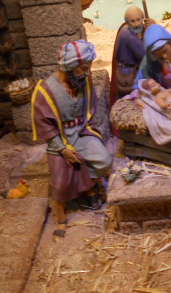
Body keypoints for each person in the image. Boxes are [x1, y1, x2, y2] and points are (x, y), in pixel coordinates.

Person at [31, 40, 112, 237]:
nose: (87, 72)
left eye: (89, 67)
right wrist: (63, 149)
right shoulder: (45, 92)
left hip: (81, 132)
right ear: (69, 67)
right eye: (83, 68)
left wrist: (88, 129)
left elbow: (89, 109)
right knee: (60, 182)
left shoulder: (83, 81)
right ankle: (61, 215)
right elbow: (45, 126)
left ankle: (88, 188)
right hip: (59, 140)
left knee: (103, 160)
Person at [109, 5, 156, 104]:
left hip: (130, 71)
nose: (137, 24)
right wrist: (153, 29)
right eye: (133, 21)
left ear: (143, 18)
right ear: (127, 22)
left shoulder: (130, 30)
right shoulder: (127, 35)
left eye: (139, 20)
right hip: (129, 75)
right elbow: (144, 55)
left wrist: (152, 26)